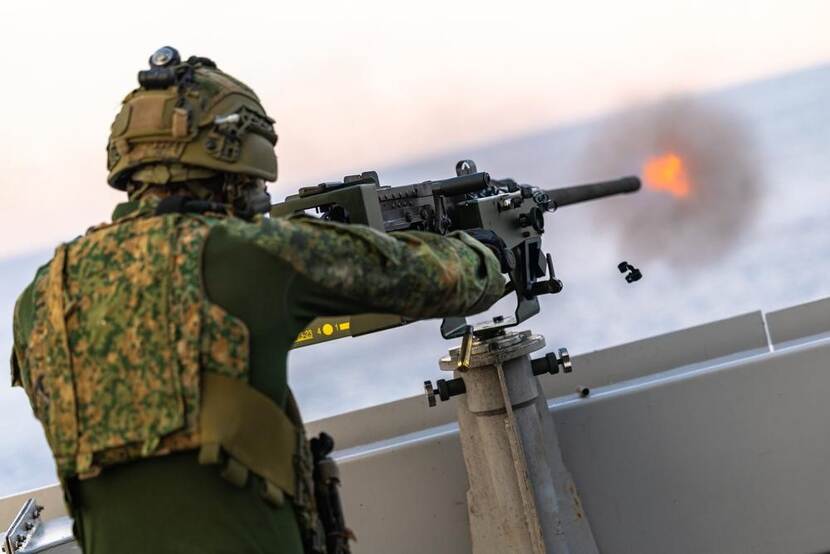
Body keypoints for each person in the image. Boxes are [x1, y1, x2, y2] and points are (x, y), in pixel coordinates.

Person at [10, 47, 506, 553]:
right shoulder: (249, 255)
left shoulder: (41, 298)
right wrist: (482, 250)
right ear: (236, 162)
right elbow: (452, 280)